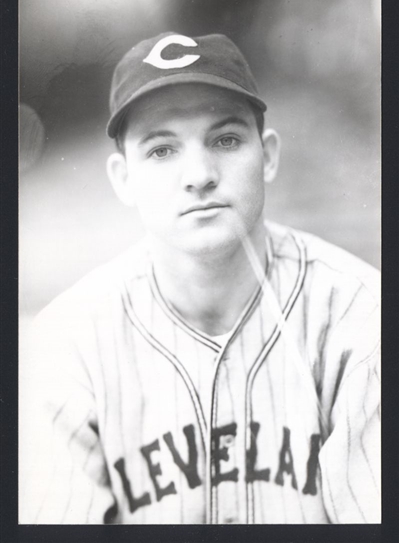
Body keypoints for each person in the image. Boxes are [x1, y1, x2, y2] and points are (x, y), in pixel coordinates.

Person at [19, 32, 381, 525]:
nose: (200, 174)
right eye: (161, 150)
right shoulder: (67, 344)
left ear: (268, 155)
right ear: (123, 178)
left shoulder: (359, 317)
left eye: (225, 139)